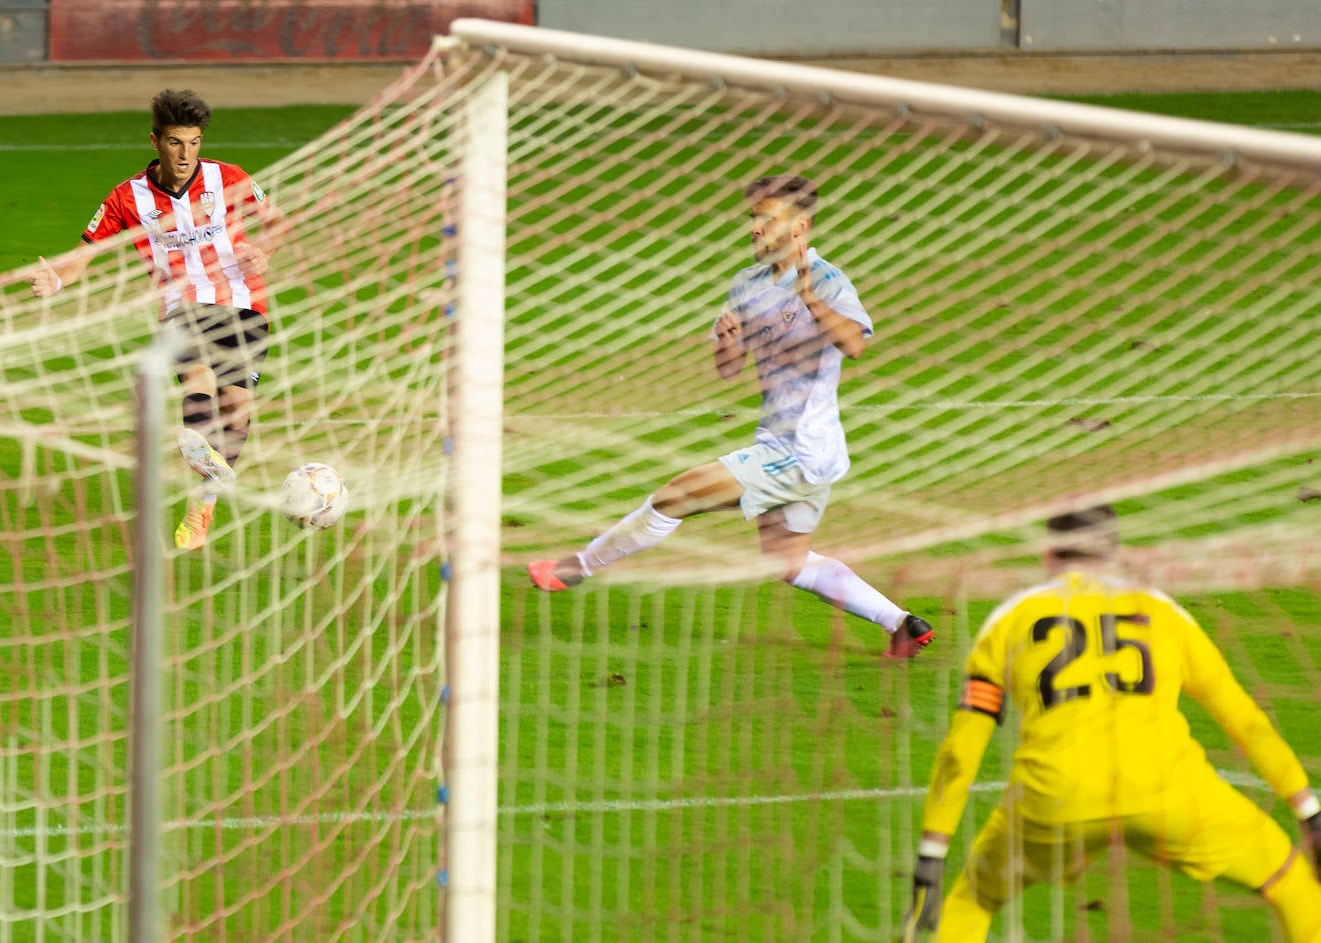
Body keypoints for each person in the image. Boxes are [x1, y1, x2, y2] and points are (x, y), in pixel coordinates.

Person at [527, 174, 934, 658]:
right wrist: (727, 340)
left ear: (800, 226)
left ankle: (575, 568)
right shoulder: (747, 283)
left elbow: (853, 345)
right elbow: (729, 370)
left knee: (673, 496)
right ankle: (901, 623)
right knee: (788, 563)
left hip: (799, 450)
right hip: (787, 445)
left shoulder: (828, 280)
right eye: (753, 218)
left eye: (768, 218)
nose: (756, 229)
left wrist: (808, 296)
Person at [903, 505, 1321, 941]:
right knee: (1292, 884)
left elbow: (960, 752)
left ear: (1048, 556)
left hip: (1055, 798)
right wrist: (1309, 812)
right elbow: (1244, 719)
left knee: (972, 900)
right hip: (1165, 790)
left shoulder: (1009, 621)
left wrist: (932, 854)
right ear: (1116, 553)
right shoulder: (1162, 611)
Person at [29, 88, 288, 551]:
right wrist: (57, 282)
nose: (186, 154)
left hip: (244, 303)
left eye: (193, 142)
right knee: (199, 378)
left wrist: (262, 251)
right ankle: (194, 441)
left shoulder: (228, 178)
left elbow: (278, 223)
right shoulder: (127, 198)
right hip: (182, 307)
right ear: (155, 142)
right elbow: (83, 257)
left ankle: (203, 499)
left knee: (236, 409)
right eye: (175, 143)